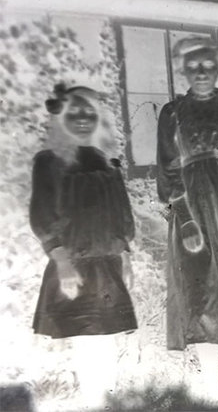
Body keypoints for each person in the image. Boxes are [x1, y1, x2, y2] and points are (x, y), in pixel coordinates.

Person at [156, 37, 218, 399]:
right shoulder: (173, 113)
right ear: (182, 69)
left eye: (208, 65)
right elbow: (168, 167)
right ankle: (213, 390)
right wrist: (184, 216)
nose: (201, 72)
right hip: (195, 208)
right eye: (193, 66)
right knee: (202, 291)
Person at [30, 83, 137, 407]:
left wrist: (126, 259)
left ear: (98, 118)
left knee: (107, 340)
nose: (82, 118)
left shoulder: (108, 162)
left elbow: (122, 213)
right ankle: (92, 401)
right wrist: (62, 262)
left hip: (108, 266)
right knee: (85, 340)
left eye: (89, 112)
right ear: (62, 117)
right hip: (74, 266)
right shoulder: (49, 161)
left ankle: (104, 402)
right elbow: (42, 215)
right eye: (74, 112)